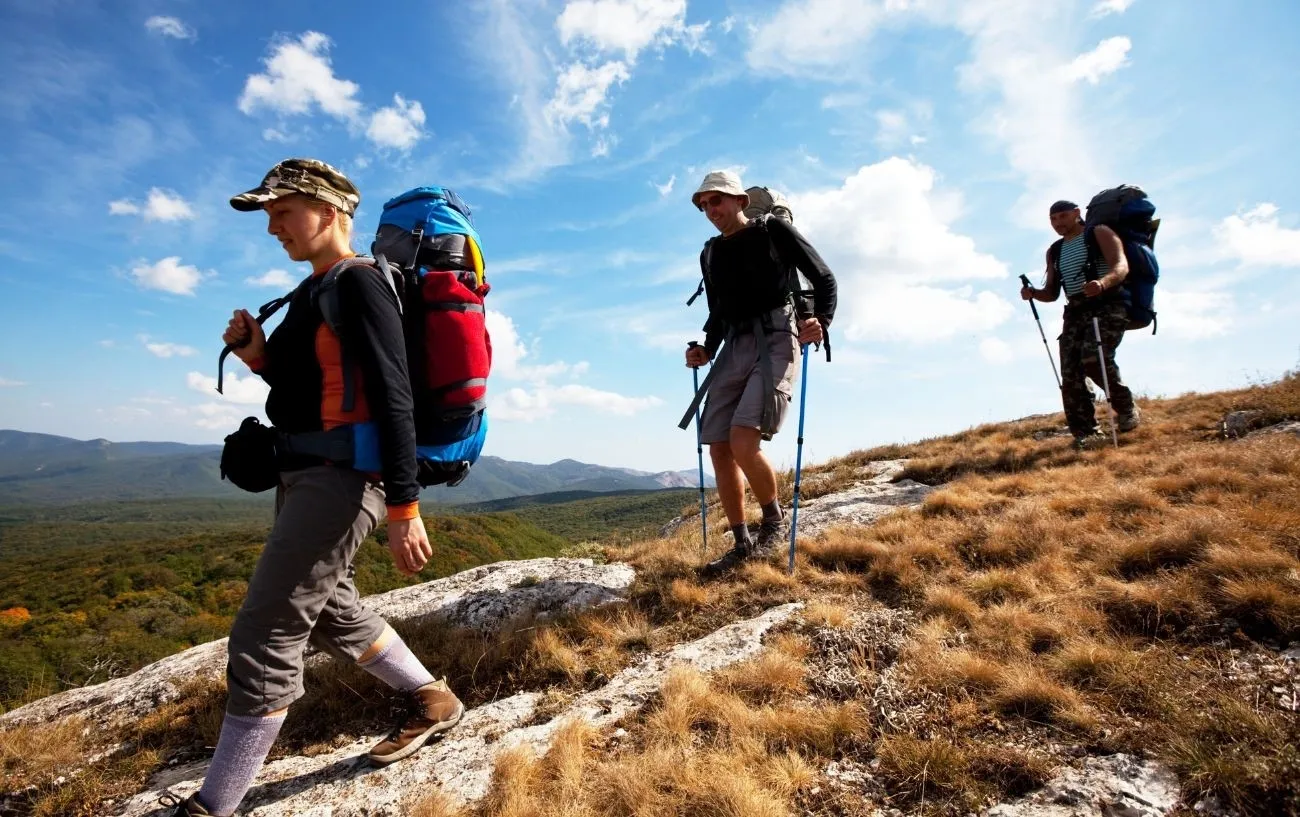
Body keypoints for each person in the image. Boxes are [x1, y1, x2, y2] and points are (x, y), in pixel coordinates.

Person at [167, 159, 463, 816]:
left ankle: (213, 805)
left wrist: (406, 504)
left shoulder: (360, 285)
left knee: (265, 633)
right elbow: (313, 392)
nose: (273, 227)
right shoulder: (315, 290)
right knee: (332, 610)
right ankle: (433, 699)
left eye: (282, 212)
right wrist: (261, 356)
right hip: (306, 475)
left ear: (330, 211)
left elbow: (394, 396)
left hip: (344, 481)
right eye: (268, 216)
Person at [683, 171, 837, 577]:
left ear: (739, 200)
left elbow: (823, 277)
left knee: (742, 440)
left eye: (716, 201)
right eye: (703, 205)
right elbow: (717, 311)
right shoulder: (711, 252)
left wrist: (820, 319)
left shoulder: (773, 231)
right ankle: (741, 543)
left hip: (775, 336)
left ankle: (774, 522)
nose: (710, 211)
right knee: (719, 446)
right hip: (734, 343)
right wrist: (705, 348)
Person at [1021, 199, 1141, 449]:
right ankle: (1085, 433)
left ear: (1077, 213)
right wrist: (1033, 293)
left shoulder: (1098, 233)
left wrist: (1102, 283)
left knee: (1093, 358)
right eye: (1053, 219)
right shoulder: (1055, 250)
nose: (1058, 223)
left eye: (1062, 216)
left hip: (1107, 304)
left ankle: (1126, 407)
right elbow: (1052, 293)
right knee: (1071, 372)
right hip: (1075, 311)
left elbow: (1121, 266)